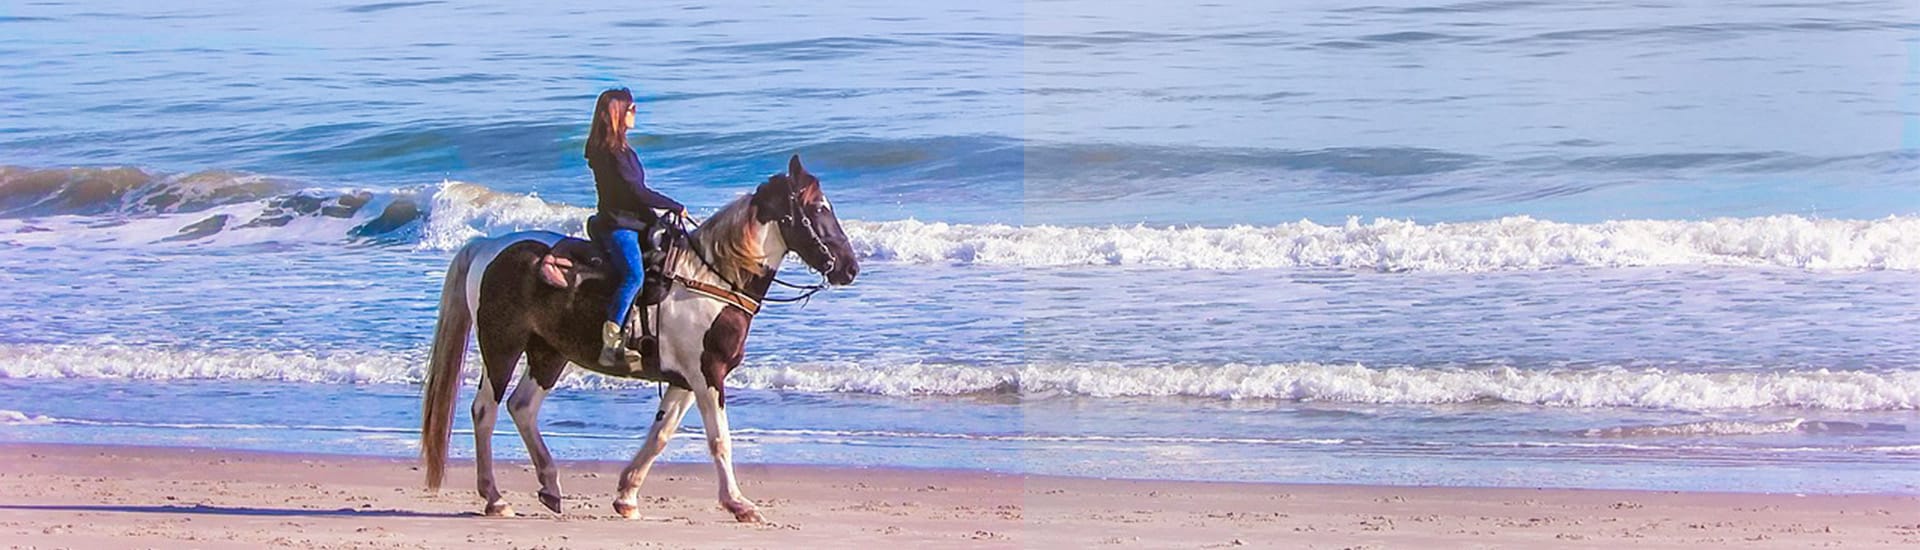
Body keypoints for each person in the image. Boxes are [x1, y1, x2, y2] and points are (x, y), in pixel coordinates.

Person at [585, 87, 687, 368]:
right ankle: (611, 343)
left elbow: (635, 194)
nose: (635, 113)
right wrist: (672, 205)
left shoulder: (621, 149)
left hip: (634, 220)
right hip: (619, 225)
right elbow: (637, 192)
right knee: (633, 275)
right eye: (631, 109)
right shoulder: (611, 153)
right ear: (617, 113)